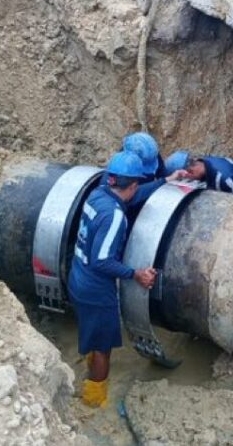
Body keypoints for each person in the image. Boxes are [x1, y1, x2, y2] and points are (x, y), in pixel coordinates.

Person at [68, 151, 158, 408]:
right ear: (130, 185)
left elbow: (132, 195)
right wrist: (135, 274)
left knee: (93, 332)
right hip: (96, 289)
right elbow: (102, 260)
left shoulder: (98, 194)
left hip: (78, 277)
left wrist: (164, 182)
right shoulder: (115, 216)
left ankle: (89, 365)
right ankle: (94, 399)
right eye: (136, 185)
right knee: (104, 346)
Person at [165, 151, 233, 195]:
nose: (190, 181)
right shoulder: (207, 161)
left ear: (189, 172)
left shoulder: (225, 178)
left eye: (186, 179)